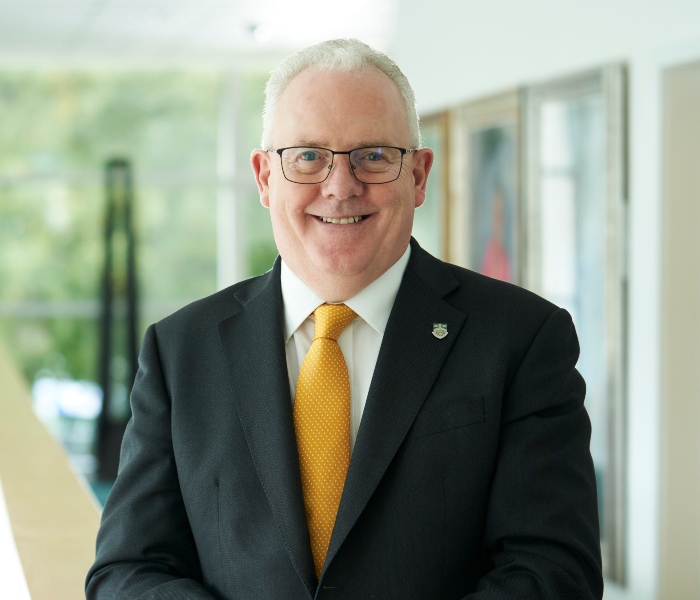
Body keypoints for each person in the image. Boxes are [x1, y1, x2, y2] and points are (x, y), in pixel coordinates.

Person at [86, 39, 603, 599]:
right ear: (264, 178)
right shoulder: (179, 351)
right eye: (308, 155)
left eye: (374, 155)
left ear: (420, 175)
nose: (340, 185)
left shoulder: (523, 339)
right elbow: (125, 572)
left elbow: (555, 572)